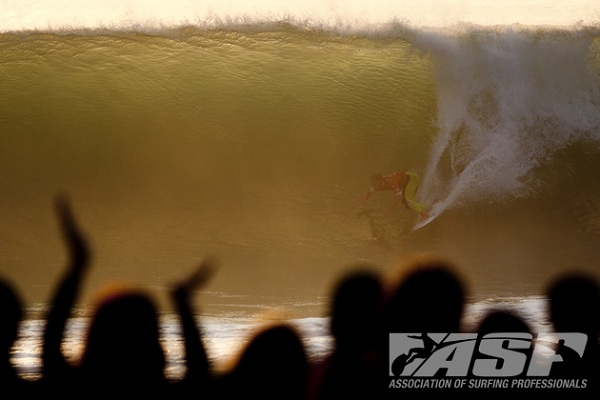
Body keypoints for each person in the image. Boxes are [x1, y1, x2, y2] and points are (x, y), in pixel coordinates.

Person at [361, 171, 429, 219]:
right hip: (407, 181)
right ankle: (427, 207)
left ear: (380, 180)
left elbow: (398, 197)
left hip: (411, 178)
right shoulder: (378, 185)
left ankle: (424, 214)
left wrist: (388, 211)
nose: (373, 185)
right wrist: (362, 203)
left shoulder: (390, 182)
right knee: (407, 204)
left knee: (406, 200)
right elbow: (369, 193)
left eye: (374, 182)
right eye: (372, 182)